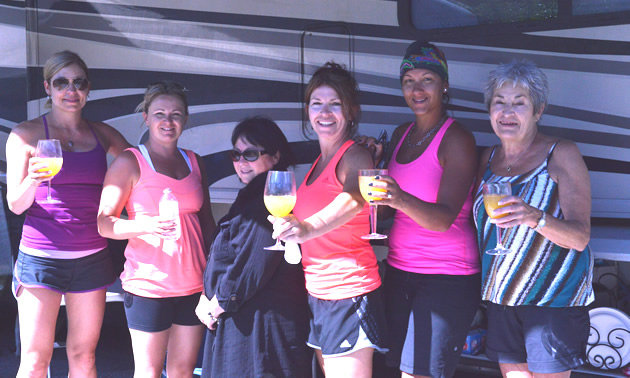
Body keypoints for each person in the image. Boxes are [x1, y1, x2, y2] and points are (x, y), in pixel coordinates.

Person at [358, 41, 481, 378]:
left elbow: (442, 219)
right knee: (394, 370)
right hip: (400, 270)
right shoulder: (400, 134)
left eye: (427, 79)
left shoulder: (457, 138)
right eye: (408, 80)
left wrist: (398, 198)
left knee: (420, 373)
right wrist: (372, 169)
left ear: (444, 84)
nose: (417, 89)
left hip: (447, 275)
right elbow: (388, 212)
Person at [6, 50, 129, 377]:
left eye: (78, 83)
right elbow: (15, 205)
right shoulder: (25, 135)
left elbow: (138, 173)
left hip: (91, 257)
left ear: (88, 89)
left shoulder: (104, 135)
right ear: (48, 87)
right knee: (34, 362)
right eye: (62, 82)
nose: (70, 91)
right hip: (40, 258)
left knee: (84, 356)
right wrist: (33, 178)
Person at [474, 60, 593, 377]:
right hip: (502, 298)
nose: (507, 112)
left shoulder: (561, 153)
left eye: (519, 103)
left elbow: (580, 237)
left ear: (538, 111)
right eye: (499, 103)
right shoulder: (486, 158)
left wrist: (534, 217)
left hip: (552, 301)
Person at [271, 62, 387, 378]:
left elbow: (355, 197)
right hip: (319, 293)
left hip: (349, 290)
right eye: (317, 103)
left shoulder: (355, 155)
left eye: (335, 104)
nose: (325, 112)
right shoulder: (316, 163)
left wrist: (307, 228)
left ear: (351, 112)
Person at [97, 81, 215, 378]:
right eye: (160, 113)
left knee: (183, 371)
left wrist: (215, 278)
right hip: (149, 286)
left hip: (194, 285)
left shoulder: (194, 161)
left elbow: (207, 224)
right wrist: (145, 225)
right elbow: (103, 223)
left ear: (185, 120)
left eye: (176, 114)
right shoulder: (130, 161)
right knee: (148, 372)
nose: (168, 121)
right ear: (146, 118)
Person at [195, 116, 312, 377]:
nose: (241, 162)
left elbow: (252, 265)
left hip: (262, 328)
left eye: (249, 154)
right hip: (248, 321)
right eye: (235, 155)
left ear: (275, 155)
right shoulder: (252, 195)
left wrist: (215, 306)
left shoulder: (268, 199)